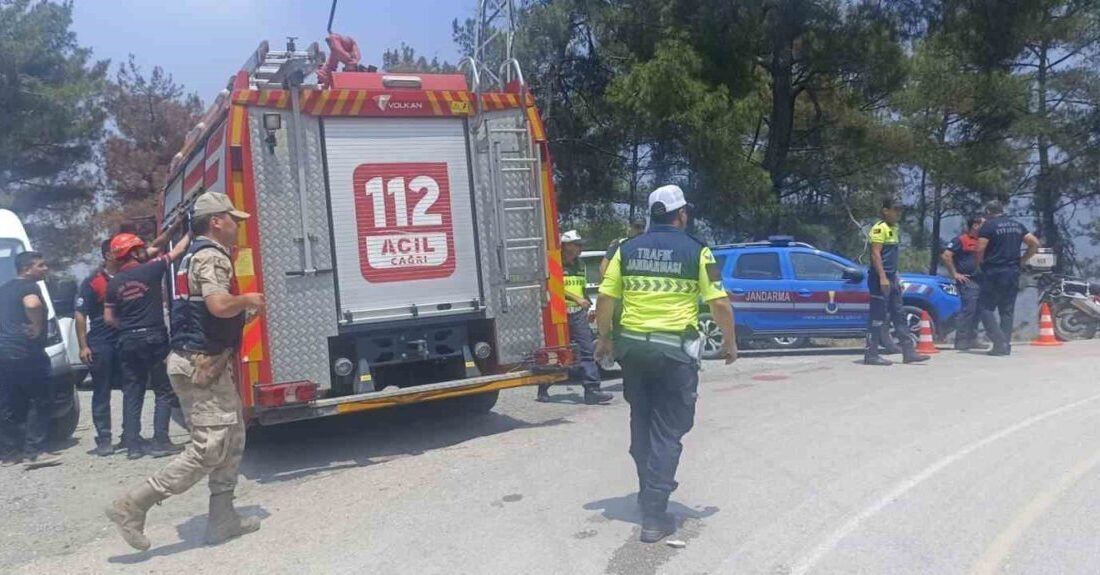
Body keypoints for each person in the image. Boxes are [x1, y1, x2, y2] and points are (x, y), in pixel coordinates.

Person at [107, 191, 265, 551]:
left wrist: (238, 313)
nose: (237, 224)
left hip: (205, 360)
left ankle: (223, 518)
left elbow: (206, 310)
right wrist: (247, 301)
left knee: (232, 436)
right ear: (216, 221)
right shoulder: (210, 256)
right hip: (199, 363)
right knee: (208, 447)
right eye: (232, 218)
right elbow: (218, 304)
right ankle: (133, 505)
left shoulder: (195, 255)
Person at [595, 184, 736, 544]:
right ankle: (655, 515)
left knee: (642, 419)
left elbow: (606, 297)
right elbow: (719, 304)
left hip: (634, 352)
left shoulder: (626, 250)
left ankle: (648, 490)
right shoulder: (698, 251)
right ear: (682, 214)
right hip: (674, 353)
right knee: (670, 428)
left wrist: (605, 338)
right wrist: (730, 344)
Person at [105, 224, 190, 459]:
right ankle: (161, 441)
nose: (145, 250)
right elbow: (178, 250)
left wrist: (128, 329)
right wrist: (193, 228)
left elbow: (109, 318)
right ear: (133, 253)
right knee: (162, 390)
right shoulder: (150, 270)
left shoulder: (113, 282)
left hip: (128, 341)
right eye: (141, 248)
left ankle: (133, 446)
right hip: (154, 338)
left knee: (133, 392)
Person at [536, 230, 613, 405]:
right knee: (556, 352)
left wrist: (587, 304)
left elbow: (582, 288)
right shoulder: (555, 264)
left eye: (580, 245)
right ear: (566, 245)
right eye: (577, 244)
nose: (580, 248)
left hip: (578, 313)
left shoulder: (580, 265)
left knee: (587, 350)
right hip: (559, 313)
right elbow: (554, 288)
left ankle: (592, 390)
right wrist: (576, 298)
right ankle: (543, 385)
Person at [0, 252, 61, 468]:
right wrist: (36, 327)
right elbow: (32, 305)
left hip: (4, 354)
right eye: (40, 265)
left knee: (8, 402)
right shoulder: (29, 287)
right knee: (39, 399)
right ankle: (34, 452)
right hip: (27, 352)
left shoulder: (4, 288)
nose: (45, 268)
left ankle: (8, 454)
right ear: (27, 269)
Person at [864, 198, 930, 366]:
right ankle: (871, 354)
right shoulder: (879, 229)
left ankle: (909, 352)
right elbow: (875, 255)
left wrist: (896, 276)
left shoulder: (894, 228)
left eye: (899, 210)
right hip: (880, 278)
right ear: (885, 210)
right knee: (878, 316)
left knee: (899, 314)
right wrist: (882, 277)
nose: (897, 213)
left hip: (892, 278)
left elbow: (892, 257)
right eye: (894, 210)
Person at [975, 200, 1040, 356]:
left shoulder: (989, 226)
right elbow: (1035, 243)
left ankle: (999, 342)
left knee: (985, 308)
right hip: (1012, 271)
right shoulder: (1017, 225)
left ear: (989, 211)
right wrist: (1023, 259)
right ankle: (1005, 345)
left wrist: (979, 265)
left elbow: (980, 249)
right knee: (1007, 310)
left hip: (993, 271)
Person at [76, 240, 122, 456]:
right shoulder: (92, 281)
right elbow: (80, 314)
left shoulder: (129, 276)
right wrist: (83, 346)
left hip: (125, 341)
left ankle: (131, 435)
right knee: (101, 391)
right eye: (118, 250)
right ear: (108, 255)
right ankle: (104, 438)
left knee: (133, 388)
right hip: (101, 343)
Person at [941, 216, 985, 351]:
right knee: (968, 309)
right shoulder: (961, 240)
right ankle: (961, 340)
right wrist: (954, 274)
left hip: (981, 279)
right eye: (983, 224)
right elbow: (946, 255)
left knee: (979, 310)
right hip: (967, 280)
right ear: (975, 225)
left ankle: (973, 338)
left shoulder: (982, 241)